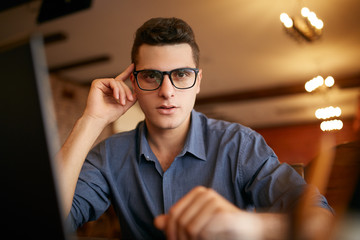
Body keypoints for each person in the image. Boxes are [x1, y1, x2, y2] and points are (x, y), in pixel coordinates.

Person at [57, 17, 333, 240]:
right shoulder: (110, 154)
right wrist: (91, 120)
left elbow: (323, 222)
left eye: (181, 75)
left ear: (198, 81)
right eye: (151, 76)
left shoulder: (239, 144)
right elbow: (52, 220)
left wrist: (249, 226)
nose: (167, 92)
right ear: (135, 82)